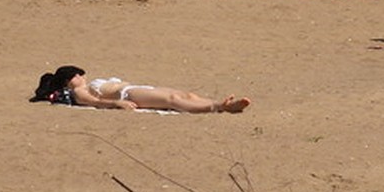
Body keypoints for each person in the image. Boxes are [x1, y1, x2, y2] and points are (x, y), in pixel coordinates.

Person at [30, 65, 249, 113]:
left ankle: (219, 103)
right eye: (77, 75)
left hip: (136, 88)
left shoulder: (85, 85)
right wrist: (116, 103)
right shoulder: (78, 92)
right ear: (69, 80)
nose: (81, 76)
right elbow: (94, 103)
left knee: (186, 95)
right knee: (173, 99)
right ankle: (218, 107)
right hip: (129, 94)